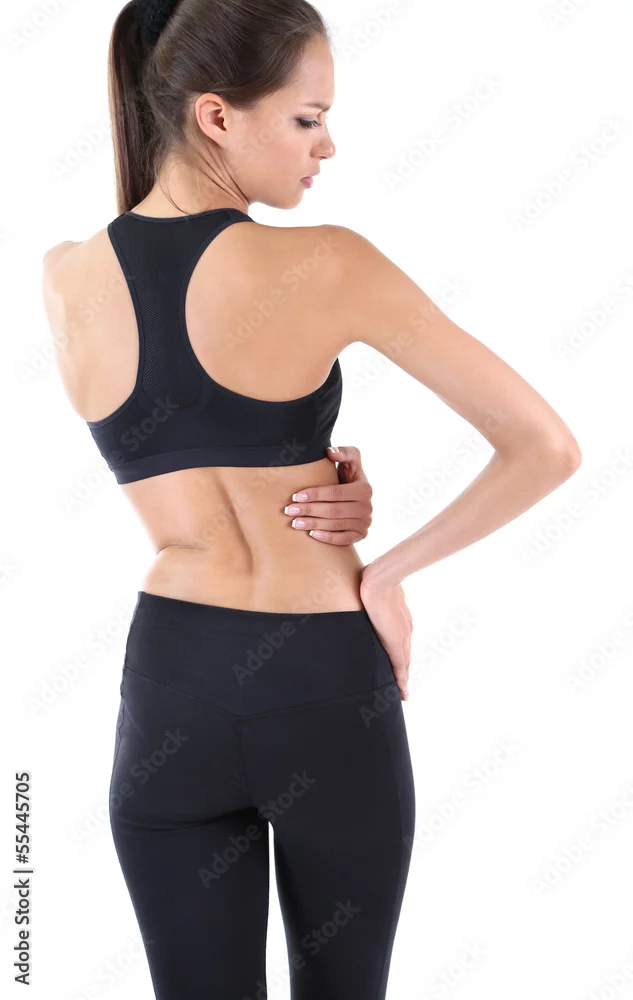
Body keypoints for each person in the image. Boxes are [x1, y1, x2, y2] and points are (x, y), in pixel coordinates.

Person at [40, 1, 582, 997]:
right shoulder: (326, 261)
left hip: (170, 684)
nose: (327, 145)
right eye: (307, 117)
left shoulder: (66, 277)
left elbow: (195, 428)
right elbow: (544, 447)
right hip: (320, 680)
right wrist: (387, 573)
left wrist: (310, 461)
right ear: (215, 115)